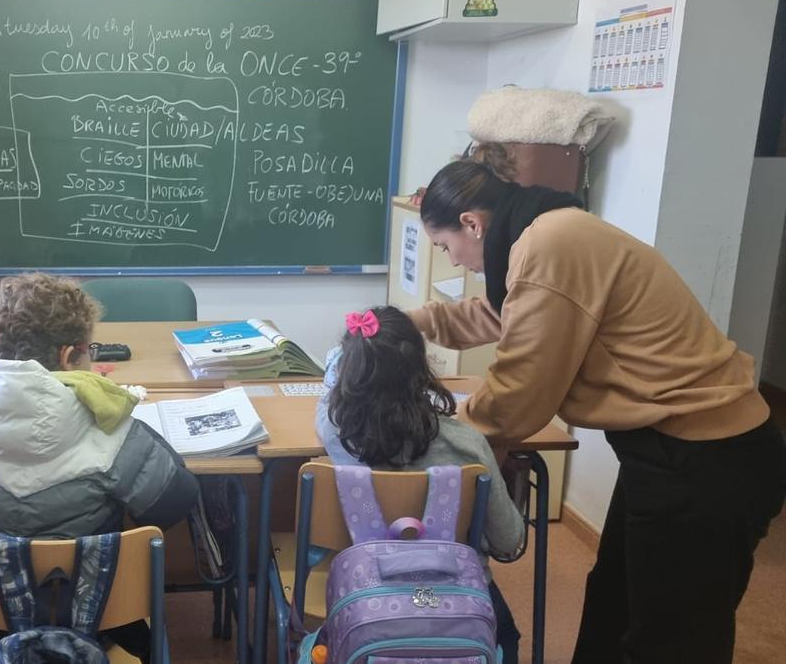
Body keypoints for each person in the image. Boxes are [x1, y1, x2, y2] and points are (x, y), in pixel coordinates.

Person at [408, 150, 786, 664]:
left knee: (671, 635)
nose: (450, 259)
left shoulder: (550, 243)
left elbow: (519, 394)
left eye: (444, 245)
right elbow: (503, 316)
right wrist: (406, 322)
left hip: (706, 455)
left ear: (471, 224)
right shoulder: (541, 235)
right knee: (615, 600)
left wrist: (448, 436)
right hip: (666, 448)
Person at [0, 273, 199, 660]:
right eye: (89, 350)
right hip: (101, 614)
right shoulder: (113, 430)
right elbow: (176, 501)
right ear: (67, 356)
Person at [317, 305, 524, 663]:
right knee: (505, 634)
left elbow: (325, 411)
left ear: (348, 374)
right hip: (452, 590)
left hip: (366, 595)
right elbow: (509, 541)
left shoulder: (337, 435)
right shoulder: (467, 444)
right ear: (421, 371)